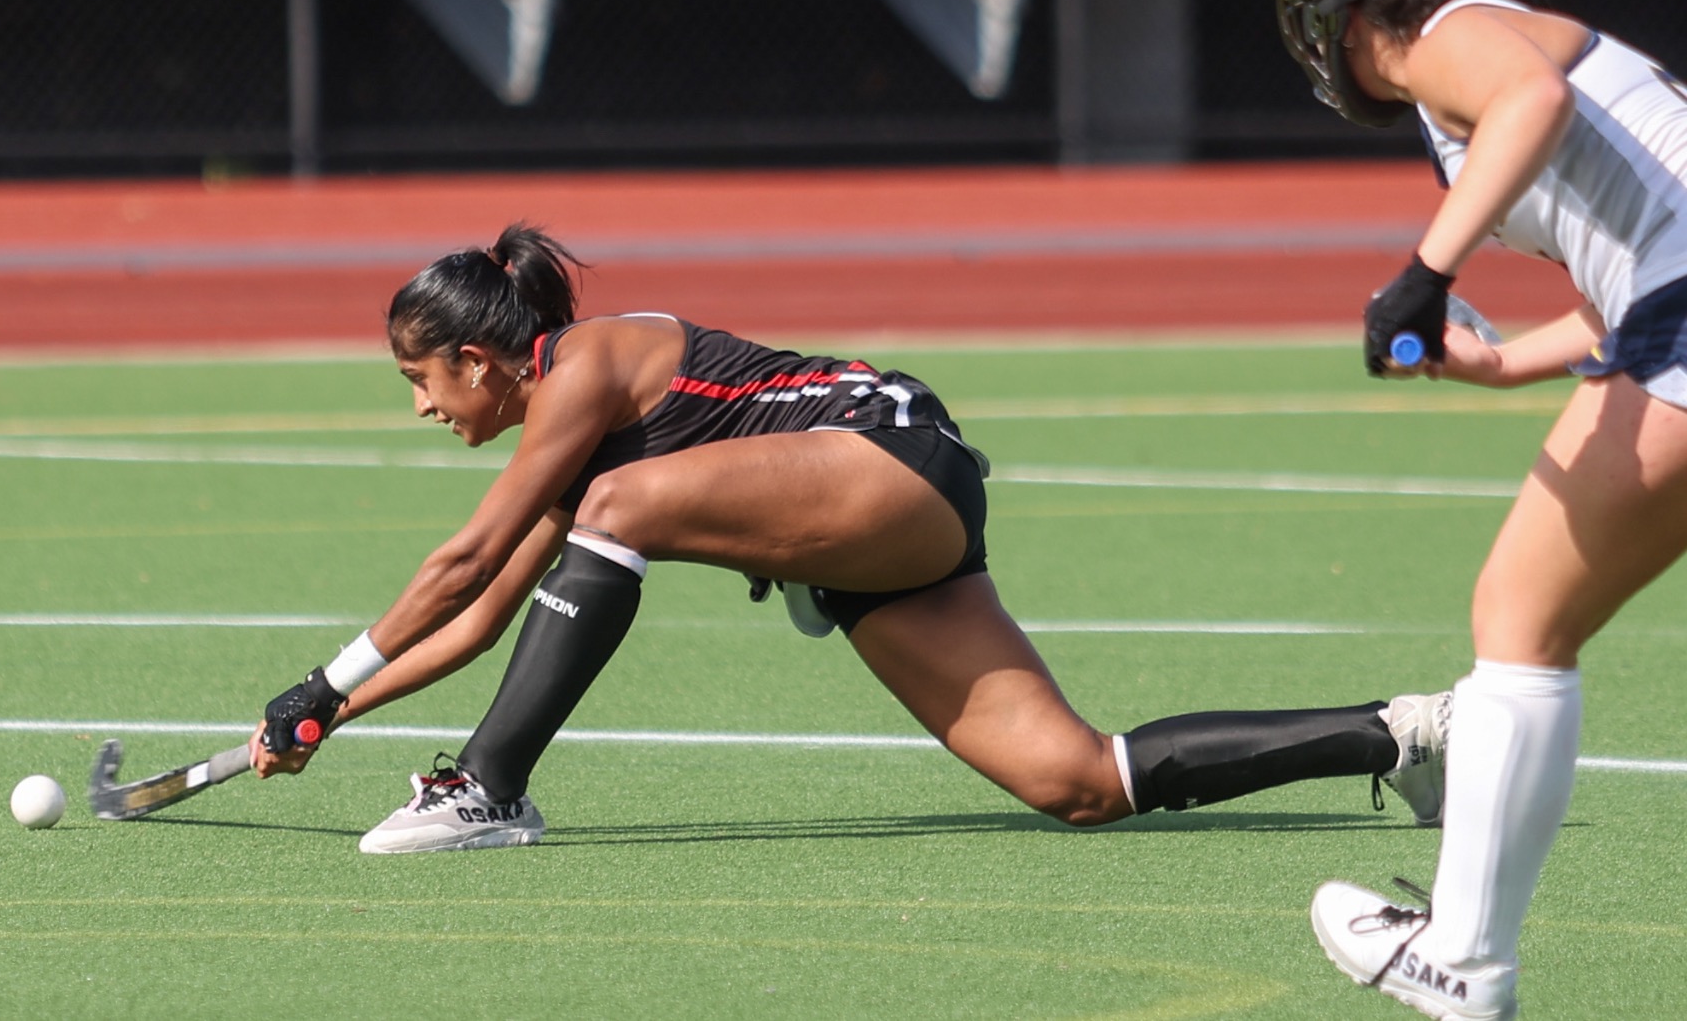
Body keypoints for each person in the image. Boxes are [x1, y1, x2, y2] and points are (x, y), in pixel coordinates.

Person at [243, 222, 1450, 859]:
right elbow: (480, 612)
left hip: (889, 452)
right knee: (1073, 781)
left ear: (475, 357)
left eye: (419, 379)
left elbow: (459, 560)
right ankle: (1395, 734)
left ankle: (487, 791)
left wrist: (322, 670)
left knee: (620, 514)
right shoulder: (572, 460)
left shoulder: (582, 365)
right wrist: (322, 715)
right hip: (866, 538)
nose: (420, 407)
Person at [1278, 0, 1687, 1018]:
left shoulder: (1451, 29)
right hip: (1668, 309)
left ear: (1351, 9)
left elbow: (1532, 101)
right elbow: (1630, 267)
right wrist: (1502, 367)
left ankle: (1460, 957)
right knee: (1522, 613)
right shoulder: (1487, 37)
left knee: (1518, 615)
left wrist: (1425, 269)